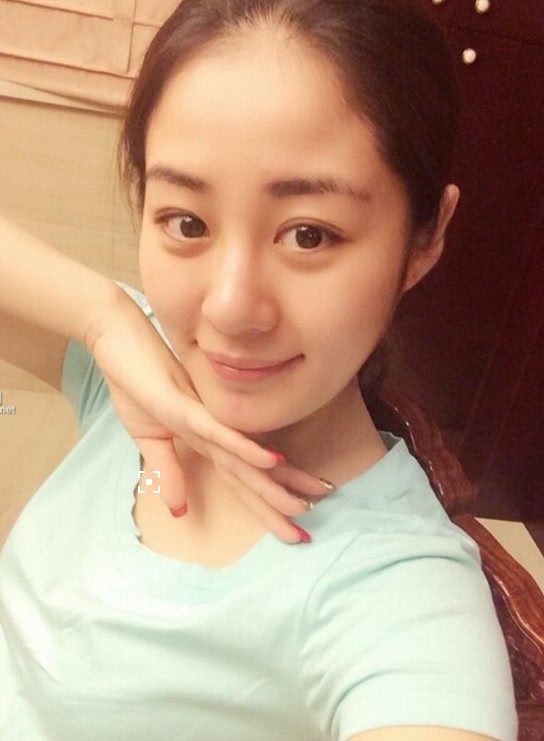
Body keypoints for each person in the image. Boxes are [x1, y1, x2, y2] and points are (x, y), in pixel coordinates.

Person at [0, 0, 518, 739]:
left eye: (309, 235)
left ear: (425, 237)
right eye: (187, 222)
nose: (231, 308)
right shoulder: (136, 374)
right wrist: (101, 316)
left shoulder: (400, 590)